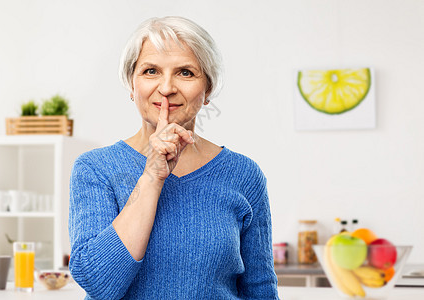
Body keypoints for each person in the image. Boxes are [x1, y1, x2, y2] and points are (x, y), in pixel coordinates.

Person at [68, 16, 279, 299]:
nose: (166, 88)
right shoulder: (96, 169)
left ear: (208, 90)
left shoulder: (244, 174)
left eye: (186, 73)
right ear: (131, 86)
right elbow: (98, 283)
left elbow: (260, 289)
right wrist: (152, 177)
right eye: (151, 71)